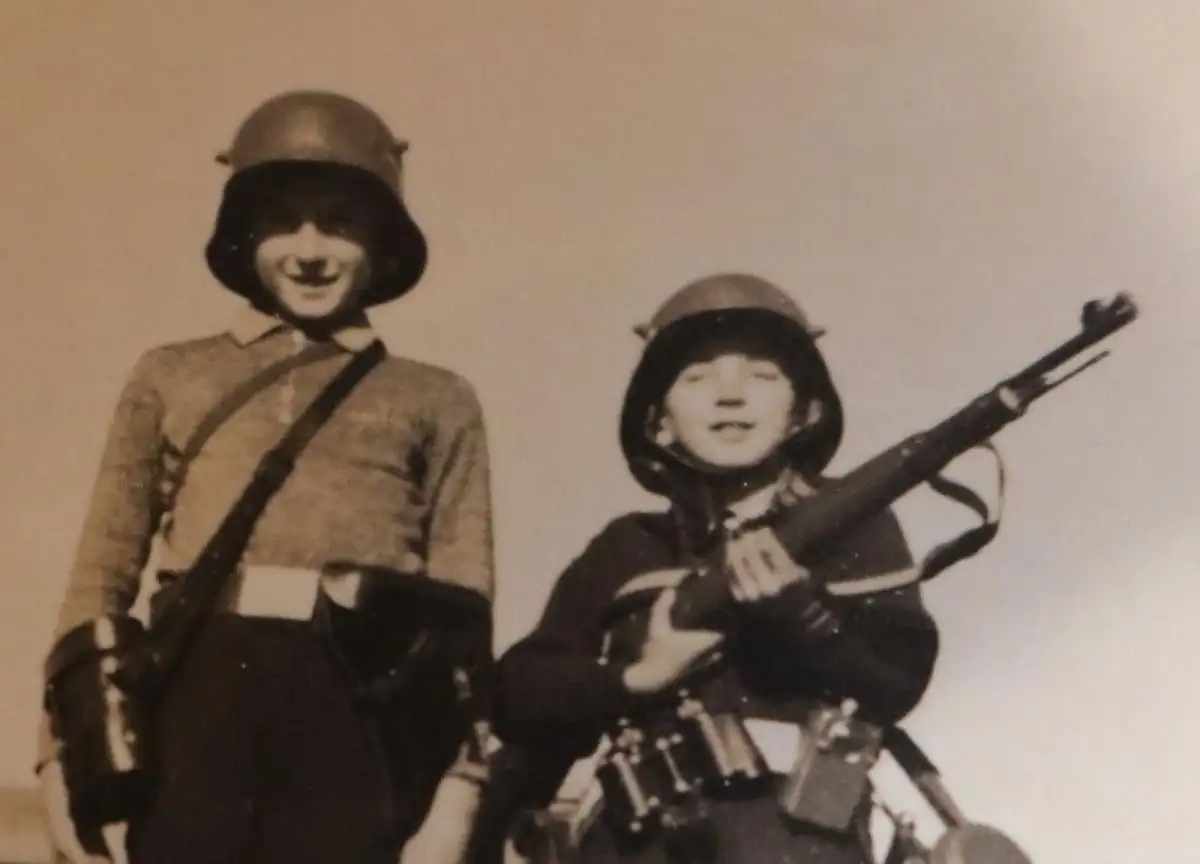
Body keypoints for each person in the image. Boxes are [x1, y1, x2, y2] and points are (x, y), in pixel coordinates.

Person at [37, 90, 495, 864]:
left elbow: (465, 617)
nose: (309, 249)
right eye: (283, 220)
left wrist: (459, 793)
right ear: (242, 234)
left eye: (341, 223)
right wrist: (60, 761)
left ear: (383, 244)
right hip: (195, 709)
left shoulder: (436, 397)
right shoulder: (170, 376)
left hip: (361, 719)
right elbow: (98, 579)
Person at [486, 273, 941, 864]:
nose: (730, 395)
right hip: (635, 846)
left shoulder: (859, 526)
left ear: (804, 412)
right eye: (696, 376)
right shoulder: (627, 547)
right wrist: (637, 679)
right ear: (659, 423)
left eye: (762, 374)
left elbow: (897, 679)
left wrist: (800, 615)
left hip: (797, 839)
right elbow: (518, 691)